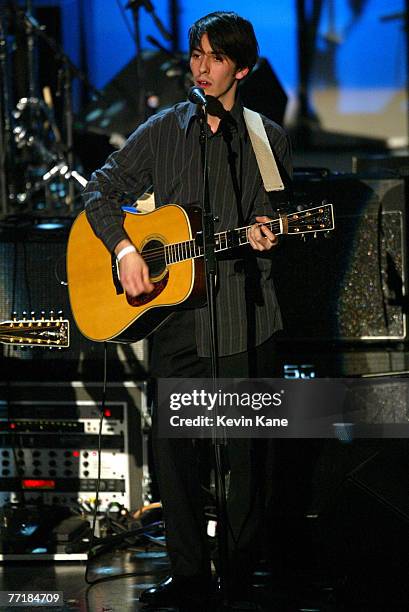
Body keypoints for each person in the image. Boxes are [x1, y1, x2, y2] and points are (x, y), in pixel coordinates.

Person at [83, 11, 292, 608]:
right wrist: (124, 246)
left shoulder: (265, 137)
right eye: (196, 54)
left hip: (245, 317)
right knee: (175, 460)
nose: (200, 67)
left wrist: (266, 232)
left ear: (242, 69)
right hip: (177, 320)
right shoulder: (162, 130)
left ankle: (243, 575)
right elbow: (99, 189)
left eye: (215, 58)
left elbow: (274, 212)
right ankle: (191, 576)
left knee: (248, 459)